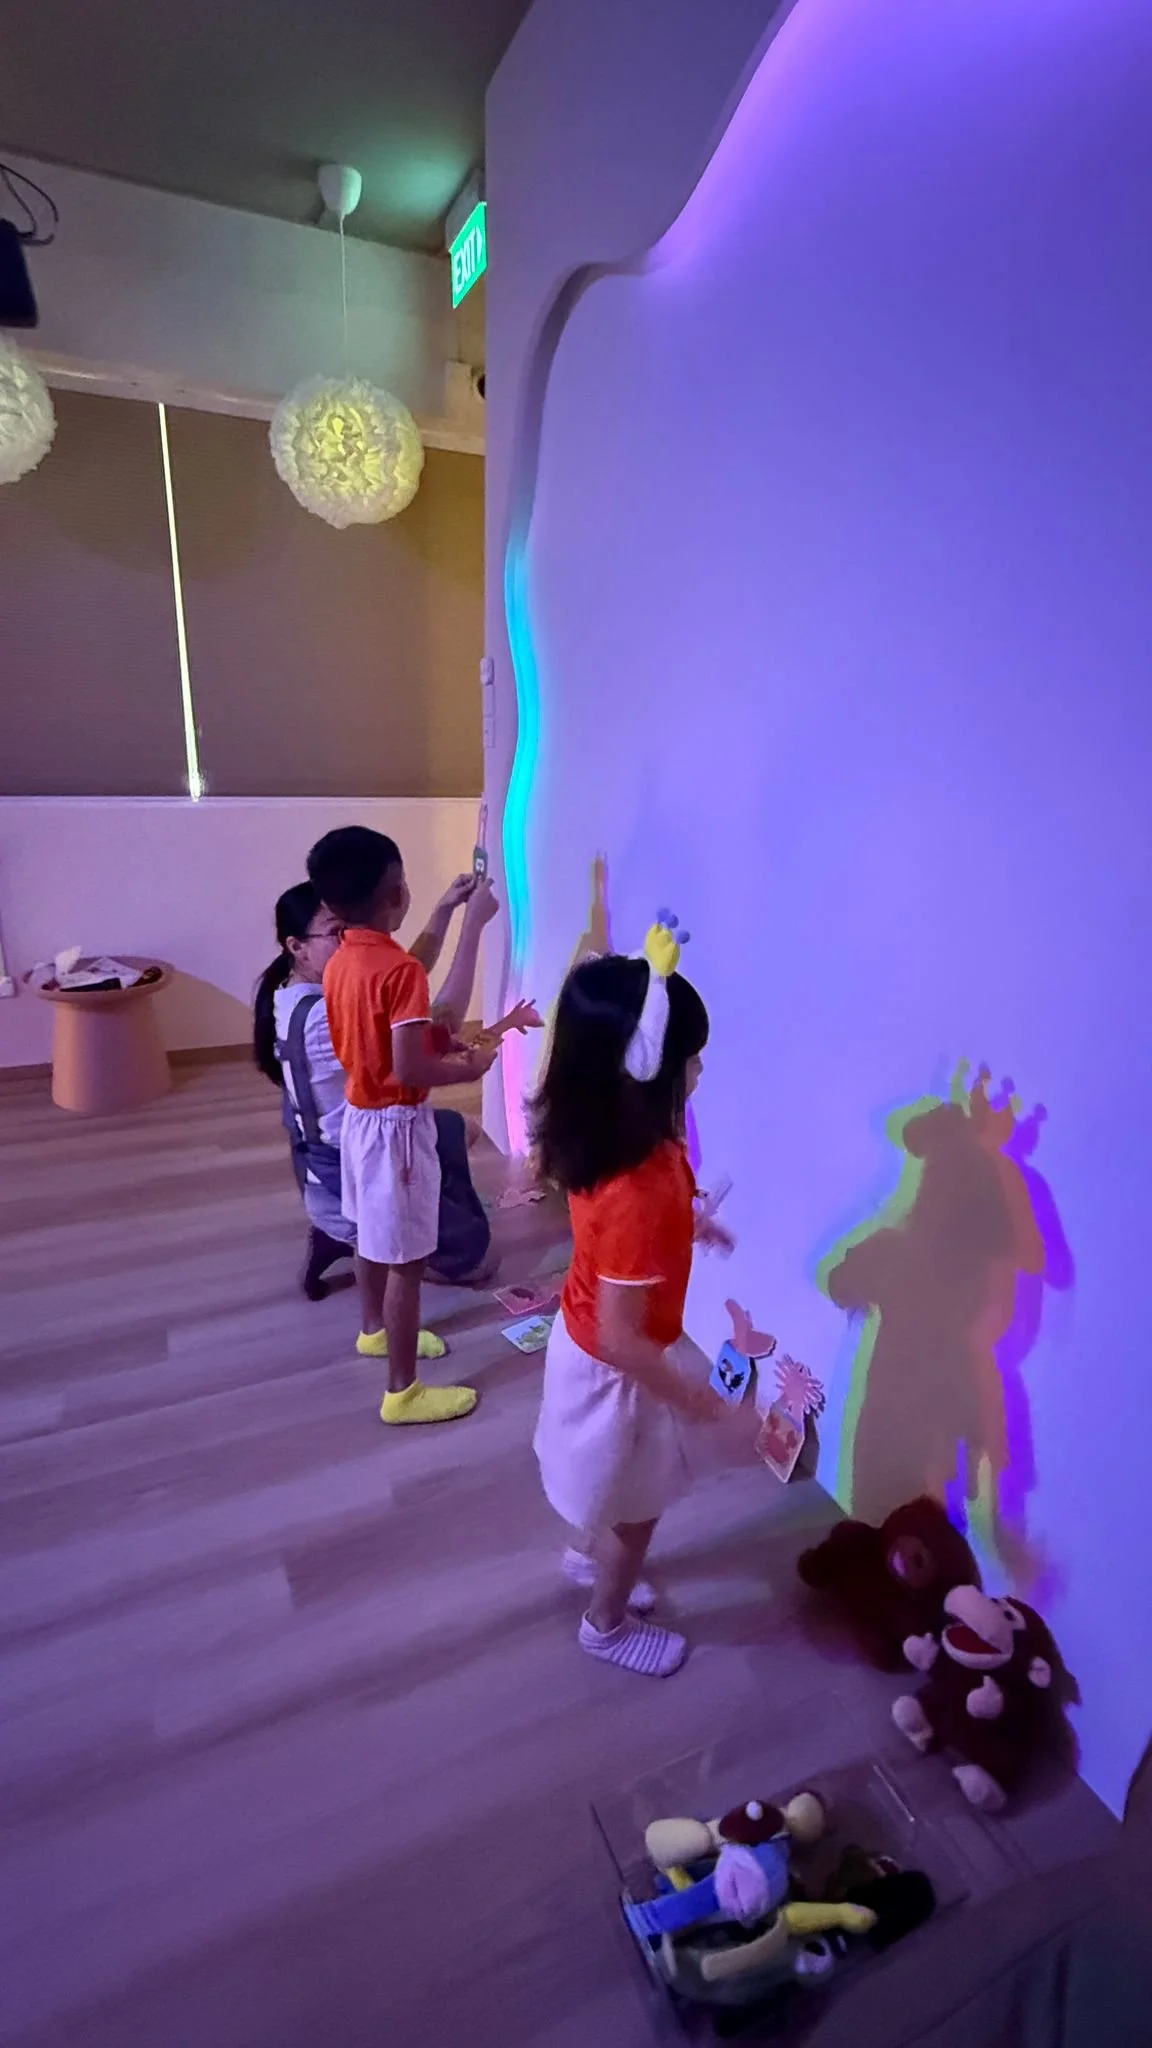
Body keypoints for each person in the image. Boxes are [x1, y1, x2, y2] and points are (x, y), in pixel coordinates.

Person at [530, 923, 751, 1676]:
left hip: (590, 1342)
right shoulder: (639, 1186)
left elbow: (620, 1239)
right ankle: (606, 1624)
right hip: (619, 1371)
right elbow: (624, 1337)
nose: (700, 1070)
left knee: (608, 1484)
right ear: (645, 1071)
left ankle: (585, 1558)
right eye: (690, 1059)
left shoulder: (608, 1141)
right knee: (636, 1510)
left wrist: (689, 1221)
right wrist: (696, 1400)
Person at [306, 826, 499, 1426]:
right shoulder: (400, 972)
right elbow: (411, 1065)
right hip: (397, 1129)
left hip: (359, 1120)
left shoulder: (343, 959)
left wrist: (444, 911)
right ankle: (403, 1391)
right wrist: (471, 1066)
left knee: (369, 1235)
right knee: (408, 1260)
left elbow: (400, 985)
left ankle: (374, 1330)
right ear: (395, 892)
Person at [252, 880, 497, 1313]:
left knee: (464, 1130)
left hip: (339, 1146)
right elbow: (441, 1024)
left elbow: (400, 976)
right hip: (358, 1156)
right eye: (336, 932)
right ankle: (369, 1243)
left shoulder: (292, 991)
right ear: (297, 947)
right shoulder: (324, 1016)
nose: (350, 940)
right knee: (479, 1262)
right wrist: (473, 926)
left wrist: (443, 910)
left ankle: (387, 1231)